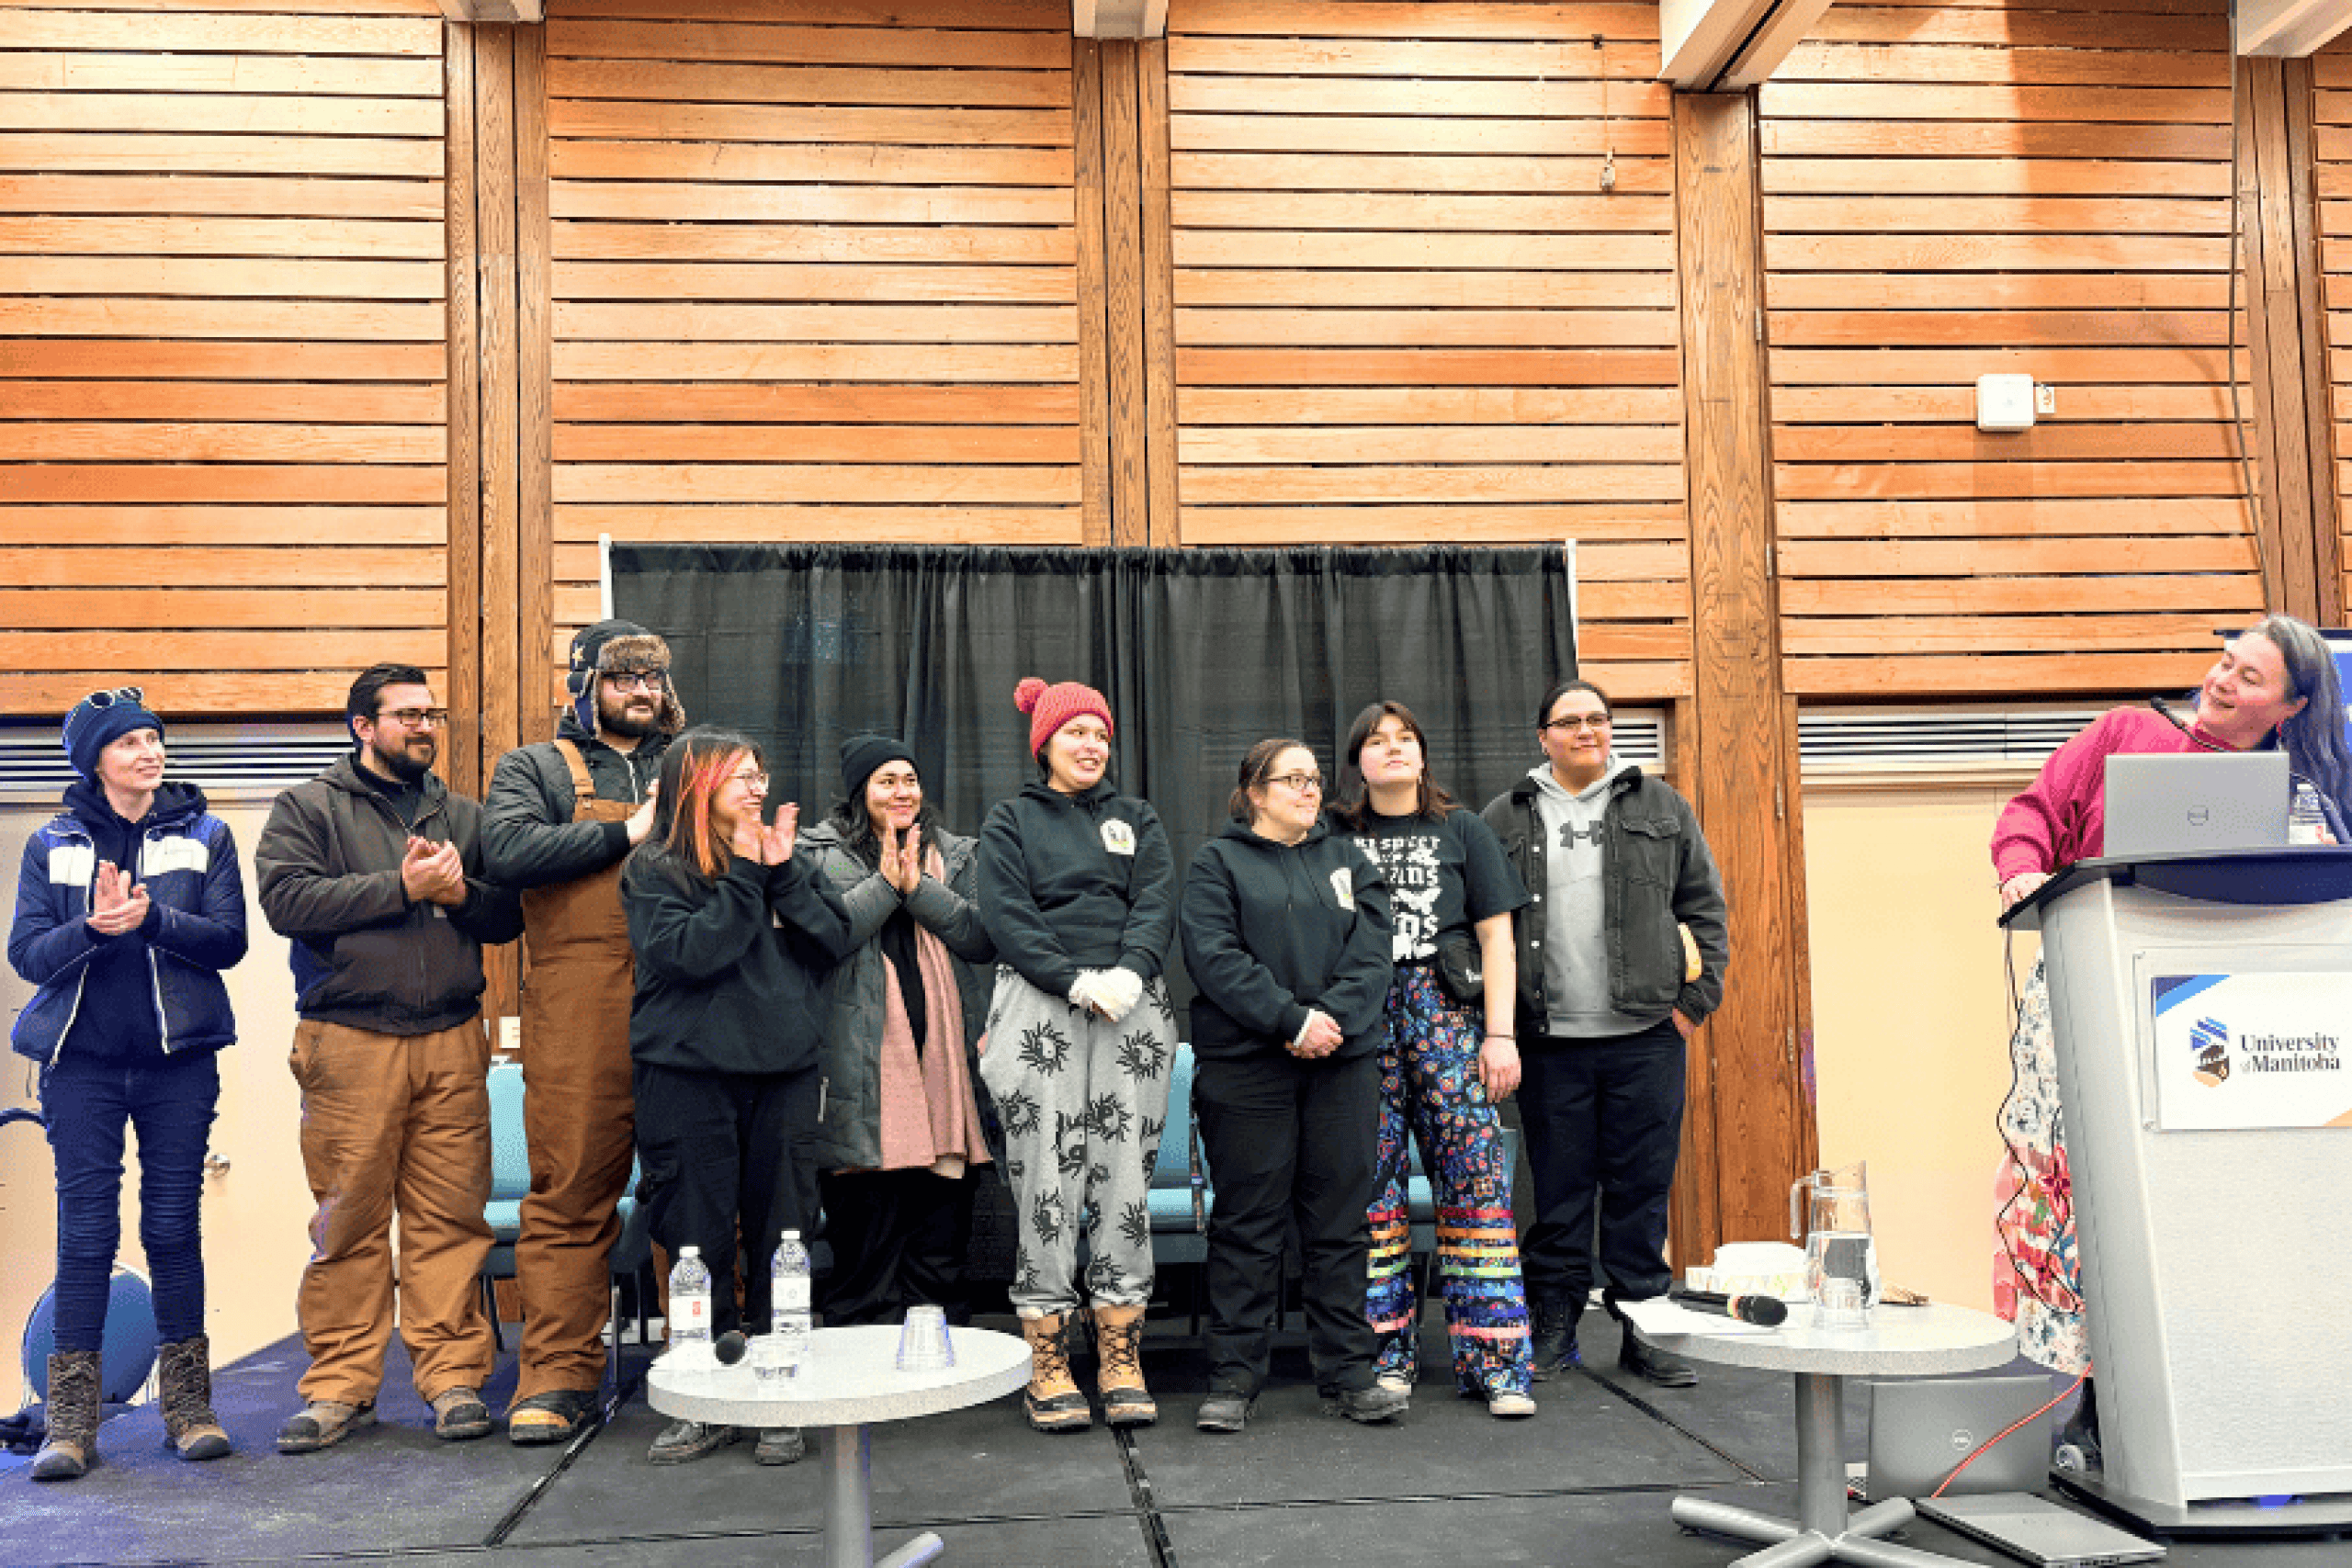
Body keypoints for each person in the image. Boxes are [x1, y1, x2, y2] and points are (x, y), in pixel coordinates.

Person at [1990, 614, 2352, 1461]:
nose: (2224, 681)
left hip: (2211, 1033)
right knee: (2084, 1198)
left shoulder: (2297, 793)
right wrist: (2021, 868)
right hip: (2087, 987)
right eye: (2225, 663)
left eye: (2250, 678)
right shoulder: (2127, 732)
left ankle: (2217, 1383)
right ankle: (2089, 1401)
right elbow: (2032, 814)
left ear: (2291, 706)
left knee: (2203, 1205)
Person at [255, 663, 525, 1453]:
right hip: (350, 1040)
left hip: (449, 1038)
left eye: (429, 713)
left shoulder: (463, 815)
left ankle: (453, 1379)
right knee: (350, 1223)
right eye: (404, 714)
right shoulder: (309, 807)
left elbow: (506, 914)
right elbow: (287, 902)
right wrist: (400, 886)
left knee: (451, 1221)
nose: (423, 726)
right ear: (361, 727)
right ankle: (340, 1386)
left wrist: (456, 896)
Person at [9, 689, 248, 1480]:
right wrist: (93, 928)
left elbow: (229, 942)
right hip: (81, 1066)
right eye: (130, 742)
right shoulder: (51, 842)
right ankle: (71, 1424)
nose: (150, 750)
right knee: (86, 1232)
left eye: (155, 737)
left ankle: (190, 1409)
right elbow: (29, 954)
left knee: (174, 1224)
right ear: (95, 760)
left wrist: (150, 922)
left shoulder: (207, 833)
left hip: (179, 1063)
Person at [1483, 678, 1728, 1389]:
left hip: (1647, 1034)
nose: (1586, 729)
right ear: (1543, 736)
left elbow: (1705, 908)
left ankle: (1644, 1329)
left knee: (1640, 1188)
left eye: (1597, 718)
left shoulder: (1661, 805)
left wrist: (1692, 1004)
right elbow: (1479, 921)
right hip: (1550, 1039)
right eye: (1570, 721)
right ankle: (1554, 1326)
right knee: (1556, 1190)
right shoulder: (1507, 815)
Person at [620, 728, 854, 1466]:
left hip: (781, 1074)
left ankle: (776, 1391)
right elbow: (694, 952)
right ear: (695, 785)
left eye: (760, 772)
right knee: (697, 1241)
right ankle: (705, 1398)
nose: (757, 787)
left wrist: (783, 878)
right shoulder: (653, 869)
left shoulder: (784, 863)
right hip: (687, 1077)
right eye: (739, 776)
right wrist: (750, 878)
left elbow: (834, 940)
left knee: (785, 1237)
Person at [481, 619, 682, 1444]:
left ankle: (706, 1364)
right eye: (623, 676)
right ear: (583, 683)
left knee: (701, 1186)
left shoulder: (688, 764)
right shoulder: (536, 768)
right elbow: (507, 847)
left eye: (653, 678)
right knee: (566, 1191)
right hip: (579, 1006)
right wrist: (629, 832)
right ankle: (558, 1374)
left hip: (687, 994)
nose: (642, 690)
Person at [977, 676, 1179, 1433]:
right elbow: (1005, 910)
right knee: (1046, 1181)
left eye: (1100, 732)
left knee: (1124, 1176)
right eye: (1075, 733)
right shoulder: (1011, 820)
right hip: (1041, 1006)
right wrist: (1072, 979)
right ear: (1045, 745)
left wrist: (1127, 972)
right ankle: (1049, 1359)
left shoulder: (1137, 817)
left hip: (1131, 1006)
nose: (1092, 745)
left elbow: (1156, 898)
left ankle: (1121, 1353)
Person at [1182, 739, 1402, 1433]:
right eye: (1292, 779)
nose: (1310, 790)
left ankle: (1347, 1373)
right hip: (1248, 1067)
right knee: (1249, 1224)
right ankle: (1234, 1377)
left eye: (1314, 779)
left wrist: (1329, 1019)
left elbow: (1374, 950)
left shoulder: (1348, 860)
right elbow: (1214, 956)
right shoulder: (1217, 864)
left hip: (1343, 1062)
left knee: (1339, 1223)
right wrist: (1290, 1017)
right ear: (1253, 790)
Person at [1332, 701, 1537, 1417]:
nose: (1392, 749)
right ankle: (1384, 1360)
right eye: (1376, 741)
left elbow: (1497, 940)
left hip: (1447, 1015)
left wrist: (1500, 1034)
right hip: (1362, 1021)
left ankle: (1498, 1364)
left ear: (1423, 754)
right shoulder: (1334, 833)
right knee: (1370, 1192)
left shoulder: (1463, 830)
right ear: (1357, 760)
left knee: (1475, 1184)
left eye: (1405, 738)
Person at [802, 734, 998, 1327]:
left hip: (946, 1072)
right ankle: (865, 1357)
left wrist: (918, 887)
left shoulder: (957, 854)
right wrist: (886, 885)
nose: (902, 791)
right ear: (861, 789)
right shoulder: (815, 854)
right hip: (858, 1071)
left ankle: (940, 1358)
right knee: (868, 1228)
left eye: (909, 780)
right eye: (886, 780)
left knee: (941, 1229)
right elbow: (823, 935)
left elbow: (980, 936)